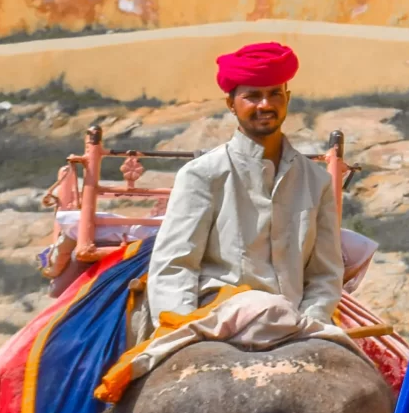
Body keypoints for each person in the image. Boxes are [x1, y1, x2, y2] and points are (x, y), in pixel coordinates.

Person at [146, 41, 345, 328]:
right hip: (218, 321)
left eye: (274, 94)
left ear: (287, 98)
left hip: (298, 323)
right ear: (231, 104)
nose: (265, 105)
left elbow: (325, 273)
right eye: (252, 96)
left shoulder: (317, 181)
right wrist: (183, 331)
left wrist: (311, 321)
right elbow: (175, 265)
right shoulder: (202, 175)